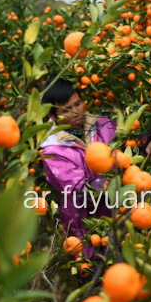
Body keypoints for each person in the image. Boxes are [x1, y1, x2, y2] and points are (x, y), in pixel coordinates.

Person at [39, 78, 116, 257]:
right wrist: (116, 182)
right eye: (67, 109)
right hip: (87, 228)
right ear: (52, 115)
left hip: (124, 216)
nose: (76, 112)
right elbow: (81, 191)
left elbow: (131, 146)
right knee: (97, 275)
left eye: (78, 104)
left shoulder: (105, 125)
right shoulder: (53, 152)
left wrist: (148, 138)